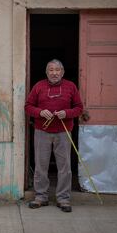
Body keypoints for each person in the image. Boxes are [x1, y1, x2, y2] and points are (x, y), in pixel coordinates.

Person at [25, 59, 83, 212]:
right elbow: (28, 106)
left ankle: (63, 199)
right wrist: (39, 112)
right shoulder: (39, 86)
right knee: (40, 166)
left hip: (64, 132)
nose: (54, 73)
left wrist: (67, 113)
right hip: (42, 132)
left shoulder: (71, 86)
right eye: (51, 70)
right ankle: (40, 197)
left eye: (57, 70)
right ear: (46, 72)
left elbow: (79, 108)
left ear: (62, 72)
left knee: (64, 167)